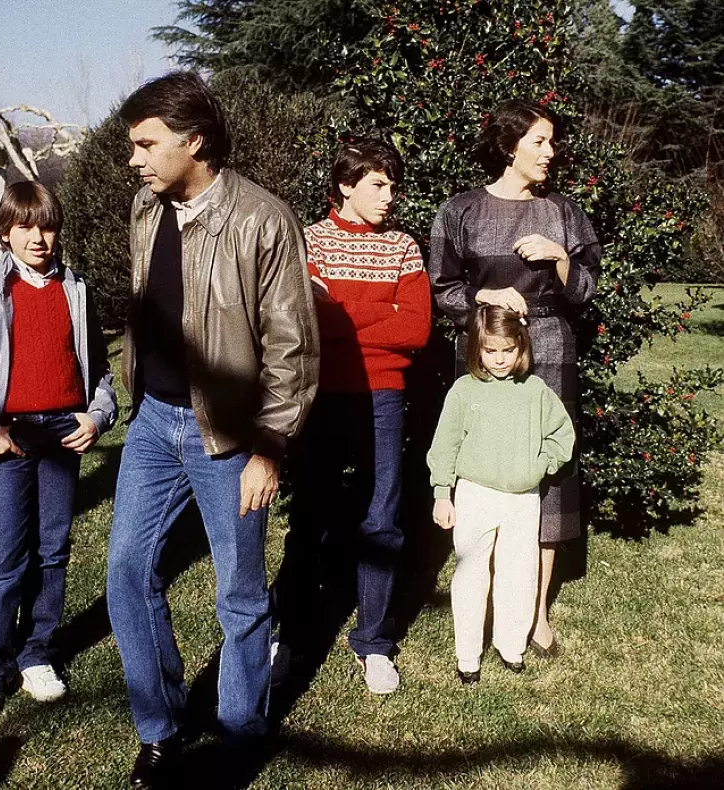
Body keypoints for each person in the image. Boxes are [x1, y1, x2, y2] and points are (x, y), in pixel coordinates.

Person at [107, 71, 319, 789]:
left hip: (228, 438)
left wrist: (270, 446)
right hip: (152, 425)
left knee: (240, 593)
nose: (134, 159)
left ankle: (239, 733)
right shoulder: (145, 207)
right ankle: (161, 728)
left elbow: (291, 345)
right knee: (127, 574)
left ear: (193, 142)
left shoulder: (263, 218)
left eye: (146, 144)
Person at [0, 181, 117, 740]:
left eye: (47, 226)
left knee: (53, 550)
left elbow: (100, 368)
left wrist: (98, 415)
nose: (38, 238)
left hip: (63, 432)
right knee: (3, 561)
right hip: (8, 437)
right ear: (5, 231)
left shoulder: (76, 288)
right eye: (25, 227)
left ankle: (36, 652)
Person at [428, 99, 601, 656]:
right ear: (509, 147)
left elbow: (589, 289)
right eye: (540, 142)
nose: (551, 152)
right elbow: (441, 288)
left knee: (545, 479)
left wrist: (560, 259)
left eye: (552, 142)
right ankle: (481, 601)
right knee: (483, 472)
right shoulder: (461, 211)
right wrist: (484, 296)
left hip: (549, 349)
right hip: (483, 352)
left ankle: (534, 614)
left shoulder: (564, 212)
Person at [271, 138, 431, 694]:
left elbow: (416, 329)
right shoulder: (309, 242)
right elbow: (306, 321)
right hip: (319, 395)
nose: (391, 196)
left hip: (384, 396)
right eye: (378, 184)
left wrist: (342, 310)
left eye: (394, 185)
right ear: (345, 184)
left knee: (380, 519)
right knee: (309, 515)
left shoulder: (405, 248)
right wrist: (378, 310)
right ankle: (287, 633)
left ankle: (375, 643)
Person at [428, 305, 574, 683]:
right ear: (477, 350)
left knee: (519, 572)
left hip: (522, 499)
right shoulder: (464, 390)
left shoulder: (535, 390)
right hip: (474, 495)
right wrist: (443, 493)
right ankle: (468, 657)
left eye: (507, 350)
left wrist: (541, 465)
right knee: (471, 573)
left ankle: (511, 645)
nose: (499, 359)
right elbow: (444, 446)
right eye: (491, 351)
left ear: (520, 347)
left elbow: (562, 434)